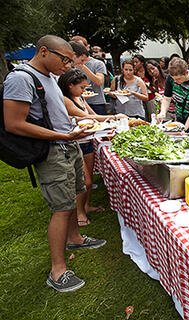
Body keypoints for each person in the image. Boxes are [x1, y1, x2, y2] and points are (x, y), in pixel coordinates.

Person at [3, 35, 106, 292]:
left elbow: (63, 109)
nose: (69, 67)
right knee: (61, 208)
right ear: (44, 51)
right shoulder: (21, 78)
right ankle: (57, 270)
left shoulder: (48, 77)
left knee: (73, 197)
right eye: (65, 60)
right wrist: (62, 136)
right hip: (52, 151)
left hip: (68, 144)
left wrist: (92, 122)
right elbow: (14, 123)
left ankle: (75, 238)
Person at [58, 68, 126, 226]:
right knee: (85, 182)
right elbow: (87, 117)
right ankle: (79, 213)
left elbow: (93, 114)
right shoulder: (66, 99)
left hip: (88, 142)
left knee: (88, 179)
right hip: (75, 143)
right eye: (81, 87)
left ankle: (86, 205)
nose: (84, 90)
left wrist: (107, 122)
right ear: (69, 85)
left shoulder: (80, 97)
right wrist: (113, 116)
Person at [158, 58, 189, 136]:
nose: (176, 82)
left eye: (178, 79)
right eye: (174, 79)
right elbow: (167, 98)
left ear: (186, 73)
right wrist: (163, 112)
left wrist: (183, 129)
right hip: (180, 117)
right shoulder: (170, 78)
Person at [70, 35, 108, 115]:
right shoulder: (70, 66)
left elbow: (99, 81)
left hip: (96, 103)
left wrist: (83, 67)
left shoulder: (98, 63)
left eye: (81, 46)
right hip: (77, 102)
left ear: (87, 47)